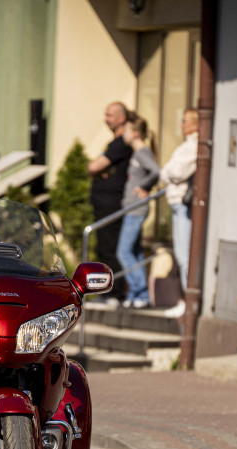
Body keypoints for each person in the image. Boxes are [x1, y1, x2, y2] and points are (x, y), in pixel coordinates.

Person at [87, 101, 133, 302]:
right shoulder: (115, 143)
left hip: (111, 203)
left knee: (110, 248)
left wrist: (98, 169)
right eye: (105, 115)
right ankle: (108, 292)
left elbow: (94, 167)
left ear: (122, 118)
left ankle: (114, 293)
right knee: (104, 248)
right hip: (105, 202)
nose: (106, 119)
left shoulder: (121, 143)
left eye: (110, 115)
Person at [116, 115, 159, 309]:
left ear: (135, 133)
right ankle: (136, 294)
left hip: (136, 209)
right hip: (131, 208)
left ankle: (141, 291)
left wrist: (144, 187)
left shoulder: (142, 152)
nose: (123, 133)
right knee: (134, 252)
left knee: (123, 252)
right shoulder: (138, 153)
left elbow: (156, 171)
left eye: (126, 130)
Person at [159, 108, 199, 317]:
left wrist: (170, 173)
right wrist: (169, 173)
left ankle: (187, 301)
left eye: (184, 121)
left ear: (195, 123)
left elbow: (175, 172)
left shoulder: (194, 146)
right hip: (175, 202)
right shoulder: (185, 146)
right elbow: (165, 172)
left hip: (183, 203)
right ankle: (183, 298)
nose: (181, 125)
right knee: (180, 253)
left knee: (184, 255)